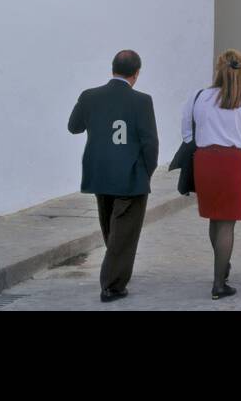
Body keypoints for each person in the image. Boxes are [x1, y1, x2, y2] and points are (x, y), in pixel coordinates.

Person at [67, 49, 159, 303]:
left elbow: (74, 127)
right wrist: (147, 172)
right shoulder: (142, 101)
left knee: (111, 227)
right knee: (124, 232)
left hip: (99, 172)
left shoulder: (89, 96)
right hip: (130, 174)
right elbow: (150, 142)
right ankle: (112, 284)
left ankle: (115, 269)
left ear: (112, 68)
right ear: (136, 73)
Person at [182, 49, 241, 300]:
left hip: (206, 160)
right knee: (227, 222)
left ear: (217, 69)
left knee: (214, 217)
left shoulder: (198, 96)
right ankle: (219, 282)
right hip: (234, 161)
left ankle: (222, 265)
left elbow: (187, 133)